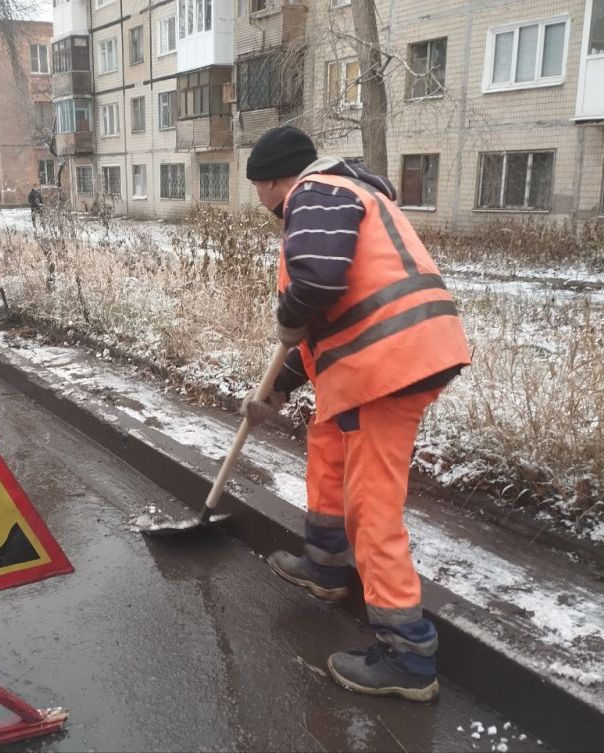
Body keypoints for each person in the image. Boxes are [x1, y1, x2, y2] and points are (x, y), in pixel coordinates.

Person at [240, 126, 471, 703]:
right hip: (383, 359)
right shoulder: (348, 195)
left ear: (271, 181)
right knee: (328, 442)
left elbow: (316, 283)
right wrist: (278, 390)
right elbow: (325, 321)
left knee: (372, 505)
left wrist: (287, 315)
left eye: (259, 189)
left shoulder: (314, 195)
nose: (264, 204)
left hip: (389, 368)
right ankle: (324, 563)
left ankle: (408, 655)